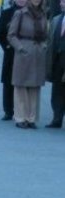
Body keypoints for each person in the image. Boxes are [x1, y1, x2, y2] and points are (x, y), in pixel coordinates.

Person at [7, 0, 48, 129]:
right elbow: (11, 35)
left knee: (35, 87)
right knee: (21, 86)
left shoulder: (43, 14)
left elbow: (46, 35)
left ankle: (31, 118)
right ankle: (20, 117)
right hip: (23, 54)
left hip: (37, 54)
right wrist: (20, 48)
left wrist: (43, 46)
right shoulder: (20, 13)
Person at [0, 0, 27, 121]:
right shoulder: (6, 13)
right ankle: (8, 110)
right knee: (8, 81)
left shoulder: (32, 13)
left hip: (26, 54)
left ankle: (22, 110)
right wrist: (7, 47)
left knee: (24, 81)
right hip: (11, 53)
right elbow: (0, 34)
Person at [45, 0, 65, 128]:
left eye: (64, 2)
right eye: (61, 1)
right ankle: (57, 118)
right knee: (57, 91)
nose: (61, 4)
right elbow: (50, 40)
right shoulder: (56, 20)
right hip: (57, 62)